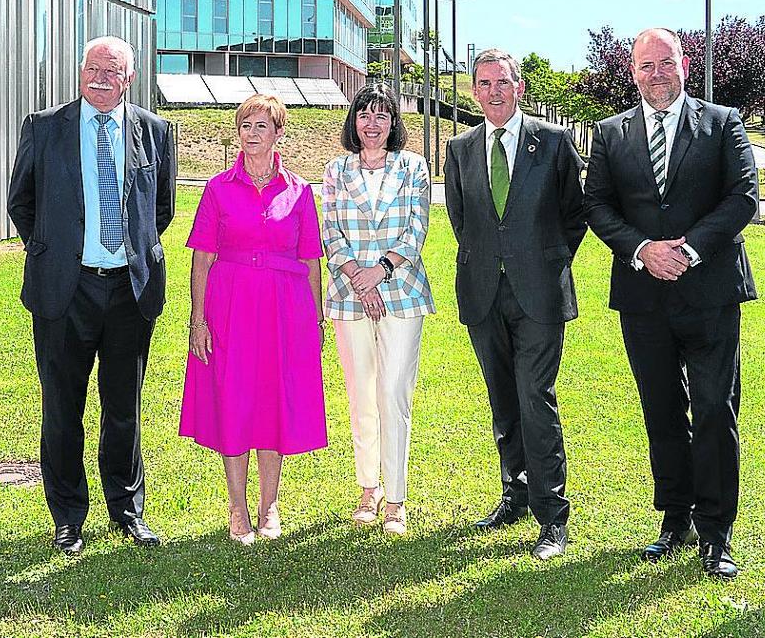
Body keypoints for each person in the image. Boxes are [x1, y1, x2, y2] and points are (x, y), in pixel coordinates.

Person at [584, 28, 757, 579]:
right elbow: (597, 204)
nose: (655, 74)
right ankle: (674, 520)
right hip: (643, 296)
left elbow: (744, 198)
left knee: (713, 409)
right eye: (644, 66)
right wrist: (641, 250)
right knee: (662, 411)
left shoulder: (723, 122)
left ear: (684, 64)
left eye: (664, 63)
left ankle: (716, 533)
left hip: (709, 293)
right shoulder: (611, 134)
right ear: (631, 73)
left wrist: (689, 250)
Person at [7, 36, 176, 554]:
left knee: (123, 405)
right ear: (80, 71)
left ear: (129, 77)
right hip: (65, 289)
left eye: (111, 70)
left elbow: (159, 210)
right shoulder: (44, 126)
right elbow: (22, 202)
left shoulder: (155, 131)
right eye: (91, 67)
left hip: (129, 290)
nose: (99, 77)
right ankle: (67, 515)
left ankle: (127, 510)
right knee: (62, 406)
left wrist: (124, 251)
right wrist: (59, 251)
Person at [444, 48, 586, 560]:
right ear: (474, 91)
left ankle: (552, 516)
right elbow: (463, 221)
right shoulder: (459, 148)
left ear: (518, 87)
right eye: (482, 84)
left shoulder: (551, 141)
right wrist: (494, 260)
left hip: (540, 294)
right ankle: (516, 493)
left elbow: (576, 213)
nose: (492, 92)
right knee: (503, 399)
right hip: (483, 293)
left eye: (501, 82)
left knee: (534, 397)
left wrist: (544, 260)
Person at [180, 93, 326, 545]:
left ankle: (269, 505)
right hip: (231, 308)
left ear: (279, 133)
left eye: (261, 126)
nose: (252, 134)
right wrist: (197, 321)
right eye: (246, 126)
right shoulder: (218, 188)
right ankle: (238, 507)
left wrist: (316, 320)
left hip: (285, 310)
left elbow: (312, 262)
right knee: (234, 401)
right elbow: (201, 260)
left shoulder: (300, 191)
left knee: (273, 403)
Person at [322, 82, 433, 536]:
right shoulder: (335, 171)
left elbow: (416, 228)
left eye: (382, 116)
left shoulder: (414, 167)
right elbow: (330, 231)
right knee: (361, 396)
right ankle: (368, 488)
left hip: (402, 294)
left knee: (393, 394)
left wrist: (380, 271)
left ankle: (396, 498)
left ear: (393, 124)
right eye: (364, 115)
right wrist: (357, 275)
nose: (372, 124)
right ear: (354, 122)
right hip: (350, 298)